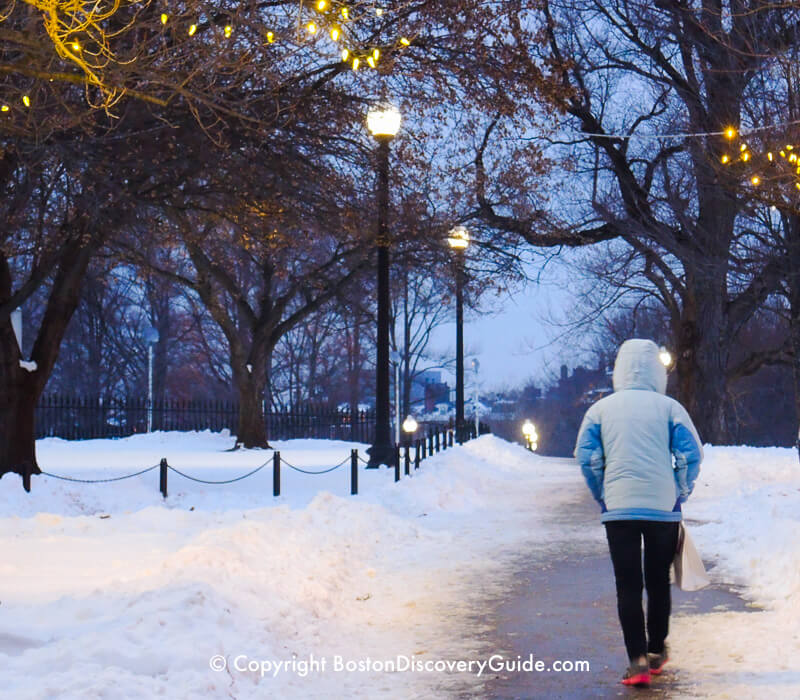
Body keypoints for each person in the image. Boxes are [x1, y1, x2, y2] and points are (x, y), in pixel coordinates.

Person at [574, 339, 703, 687]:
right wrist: (681, 488)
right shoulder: (670, 408)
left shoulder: (600, 411)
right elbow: (691, 454)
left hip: (619, 510)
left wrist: (602, 492)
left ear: (618, 369)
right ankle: (658, 651)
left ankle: (638, 662)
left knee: (628, 585)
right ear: (657, 373)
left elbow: (586, 457)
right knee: (658, 581)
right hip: (663, 508)